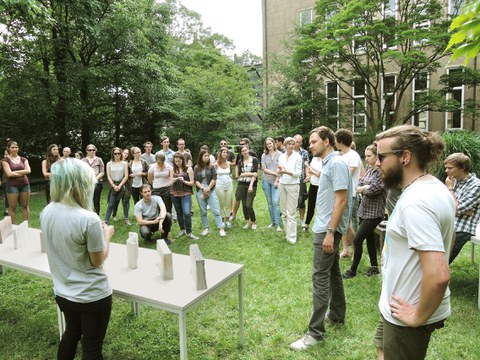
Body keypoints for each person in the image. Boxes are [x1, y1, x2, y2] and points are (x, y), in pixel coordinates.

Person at [373, 125, 454, 360]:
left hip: (407, 312)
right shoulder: (433, 186)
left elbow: (439, 274)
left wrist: (417, 316)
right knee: (382, 347)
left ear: (405, 157)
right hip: (396, 303)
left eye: (381, 156)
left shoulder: (416, 202)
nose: (377, 163)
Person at [40, 158, 114, 360]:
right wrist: (107, 234)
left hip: (63, 292)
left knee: (72, 333)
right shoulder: (88, 219)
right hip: (91, 296)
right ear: (81, 184)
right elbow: (97, 260)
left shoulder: (47, 211)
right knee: (91, 350)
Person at [290, 126, 352, 351]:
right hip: (327, 228)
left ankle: (314, 333)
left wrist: (330, 232)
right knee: (333, 272)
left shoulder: (336, 164)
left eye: (314, 141)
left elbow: (341, 200)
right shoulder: (329, 163)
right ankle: (336, 314)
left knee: (320, 277)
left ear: (327, 141)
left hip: (328, 230)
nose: (310, 145)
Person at [343, 144, 386, 279]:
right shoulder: (368, 168)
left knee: (357, 239)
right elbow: (361, 183)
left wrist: (362, 188)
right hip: (364, 209)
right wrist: (363, 187)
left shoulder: (380, 172)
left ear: (376, 156)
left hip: (375, 212)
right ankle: (374, 267)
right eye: (365, 155)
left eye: (369, 156)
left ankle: (353, 270)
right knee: (370, 238)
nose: (366, 158)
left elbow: (373, 190)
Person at [444, 152, 480, 264]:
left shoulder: (476, 185)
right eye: (445, 168)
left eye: (450, 168)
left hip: (461, 228)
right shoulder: (452, 180)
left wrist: (450, 189)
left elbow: (456, 209)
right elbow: (441, 204)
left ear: (463, 168)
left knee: (441, 262)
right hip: (447, 222)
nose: (446, 171)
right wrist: (455, 208)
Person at [335, 129, 362, 258]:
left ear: (340, 141)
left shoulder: (353, 155)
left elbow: (347, 175)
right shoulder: (341, 156)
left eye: (335, 139)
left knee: (347, 224)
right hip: (341, 194)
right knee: (343, 224)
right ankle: (345, 249)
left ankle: (357, 249)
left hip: (350, 194)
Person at [194, 149, 226, 237]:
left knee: (215, 210)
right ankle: (206, 228)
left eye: (208, 156)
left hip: (210, 190)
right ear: (201, 157)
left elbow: (214, 178)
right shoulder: (196, 168)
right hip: (200, 190)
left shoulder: (212, 167)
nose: (207, 157)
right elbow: (196, 180)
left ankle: (221, 228)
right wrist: (202, 188)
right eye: (205, 156)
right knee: (203, 211)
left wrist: (208, 188)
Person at [278, 137, 302, 244]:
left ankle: (292, 237)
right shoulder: (281, 157)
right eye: (289, 144)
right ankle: (288, 233)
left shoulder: (298, 157)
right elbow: (279, 171)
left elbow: (298, 174)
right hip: (282, 184)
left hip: (293, 185)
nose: (291, 146)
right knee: (283, 212)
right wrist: (279, 172)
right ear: (285, 145)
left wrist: (286, 172)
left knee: (291, 212)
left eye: (293, 144)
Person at [2, 140, 31, 224]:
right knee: (12, 207)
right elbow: (9, 174)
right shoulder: (5, 161)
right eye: (12, 147)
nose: (14, 149)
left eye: (16, 147)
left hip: (25, 184)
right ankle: (14, 226)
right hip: (12, 186)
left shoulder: (23, 159)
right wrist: (23, 172)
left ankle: (25, 226)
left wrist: (14, 173)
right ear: (8, 148)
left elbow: (28, 171)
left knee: (25, 206)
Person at [170, 152, 198, 240]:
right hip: (175, 193)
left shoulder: (189, 169)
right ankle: (182, 230)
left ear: (182, 160)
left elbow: (192, 182)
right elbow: (170, 181)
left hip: (186, 193)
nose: (177, 163)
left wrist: (184, 181)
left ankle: (189, 232)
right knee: (179, 212)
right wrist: (176, 179)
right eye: (176, 161)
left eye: (179, 161)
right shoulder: (172, 169)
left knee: (186, 212)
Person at [230, 138, 257, 221]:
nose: (242, 146)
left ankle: (252, 220)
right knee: (239, 199)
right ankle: (236, 215)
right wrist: (238, 176)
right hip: (241, 182)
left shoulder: (253, 156)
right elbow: (239, 168)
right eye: (241, 144)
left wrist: (251, 181)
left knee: (248, 204)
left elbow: (255, 172)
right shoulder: (240, 157)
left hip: (251, 183)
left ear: (248, 145)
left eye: (244, 144)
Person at [104, 147, 129, 225]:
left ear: (121, 154)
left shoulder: (124, 163)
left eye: (119, 153)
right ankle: (106, 220)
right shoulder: (109, 164)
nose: (117, 155)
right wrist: (113, 185)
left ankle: (126, 219)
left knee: (125, 202)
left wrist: (120, 185)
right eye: (115, 153)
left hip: (122, 184)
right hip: (113, 184)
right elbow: (108, 176)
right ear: (113, 154)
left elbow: (126, 175)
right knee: (111, 203)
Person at [261, 137, 281, 232]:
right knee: (270, 203)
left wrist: (277, 178)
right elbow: (264, 169)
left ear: (274, 143)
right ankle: (272, 222)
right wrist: (274, 173)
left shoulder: (280, 155)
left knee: (276, 202)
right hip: (266, 181)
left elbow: (280, 169)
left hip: (276, 182)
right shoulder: (264, 155)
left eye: (270, 143)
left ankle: (278, 224)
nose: (269, 145)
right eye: (267, 144)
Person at [237, 145, 259, 229]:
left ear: (248, 150)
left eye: (246, 150)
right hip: (241, 184)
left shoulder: (254, 160)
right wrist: (251, 173)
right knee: (243, 204)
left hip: (251, 184)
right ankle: (247, 222)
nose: (245, 152)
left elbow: (256, 174)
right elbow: (240, 174)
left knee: (248, 204)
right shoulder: (240, 162)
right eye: (243, 151)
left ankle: (253, 222)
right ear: (241, 153)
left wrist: (251, 185)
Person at [112, 148, 134, 225]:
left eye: (127, 154)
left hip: (127, 185)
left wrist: (130, 175)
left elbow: (131, 174)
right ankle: (114, 215)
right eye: (124, 153)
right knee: (116, 200)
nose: (125, 155)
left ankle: (126, 218)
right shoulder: (115, 162)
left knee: (125, 201)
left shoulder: (129, 163)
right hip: (117, 184)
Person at [82, 144, 104, 215]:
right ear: (87, 151)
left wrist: (95, 179)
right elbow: (81, 172)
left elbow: (102, 172)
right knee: (87, 200)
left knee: (96, 200)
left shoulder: (99, 159)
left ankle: (97, 215)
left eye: (93, 150)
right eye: (90, 150)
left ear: (95, 150)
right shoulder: (83, 160)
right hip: (86, 183)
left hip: (97, 182)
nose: (91, 151)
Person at [294, 134, 310, 228]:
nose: (298, 144)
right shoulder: (288, 151)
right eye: (297, 142)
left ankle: (301, 220)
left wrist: (307, 175)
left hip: (301, 179)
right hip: (291, 180)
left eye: (300, 142)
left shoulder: (304, 152)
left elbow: (306, 165)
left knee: (301, 201)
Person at [303, 154, 322, 232]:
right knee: (311, 205)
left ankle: (320, 226)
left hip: (321, 186)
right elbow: (311, 171)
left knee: (320, 206)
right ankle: (306, 224)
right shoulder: (314, 158)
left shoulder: (324, 160)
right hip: (312, 184)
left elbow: (319, 174)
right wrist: (308, 176)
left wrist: (310, 169)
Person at [215, 147, 234, 229]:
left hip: (229, 185)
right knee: (222, 203)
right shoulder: (215, 164)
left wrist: (231, 177)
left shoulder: (229, 163)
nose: (225, 154)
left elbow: (231, 172)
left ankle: (228, 220)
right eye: (223, 152)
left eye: (226, 152)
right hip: (219, 185)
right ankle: (222, 221)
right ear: (220, 153)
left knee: (228, 203)